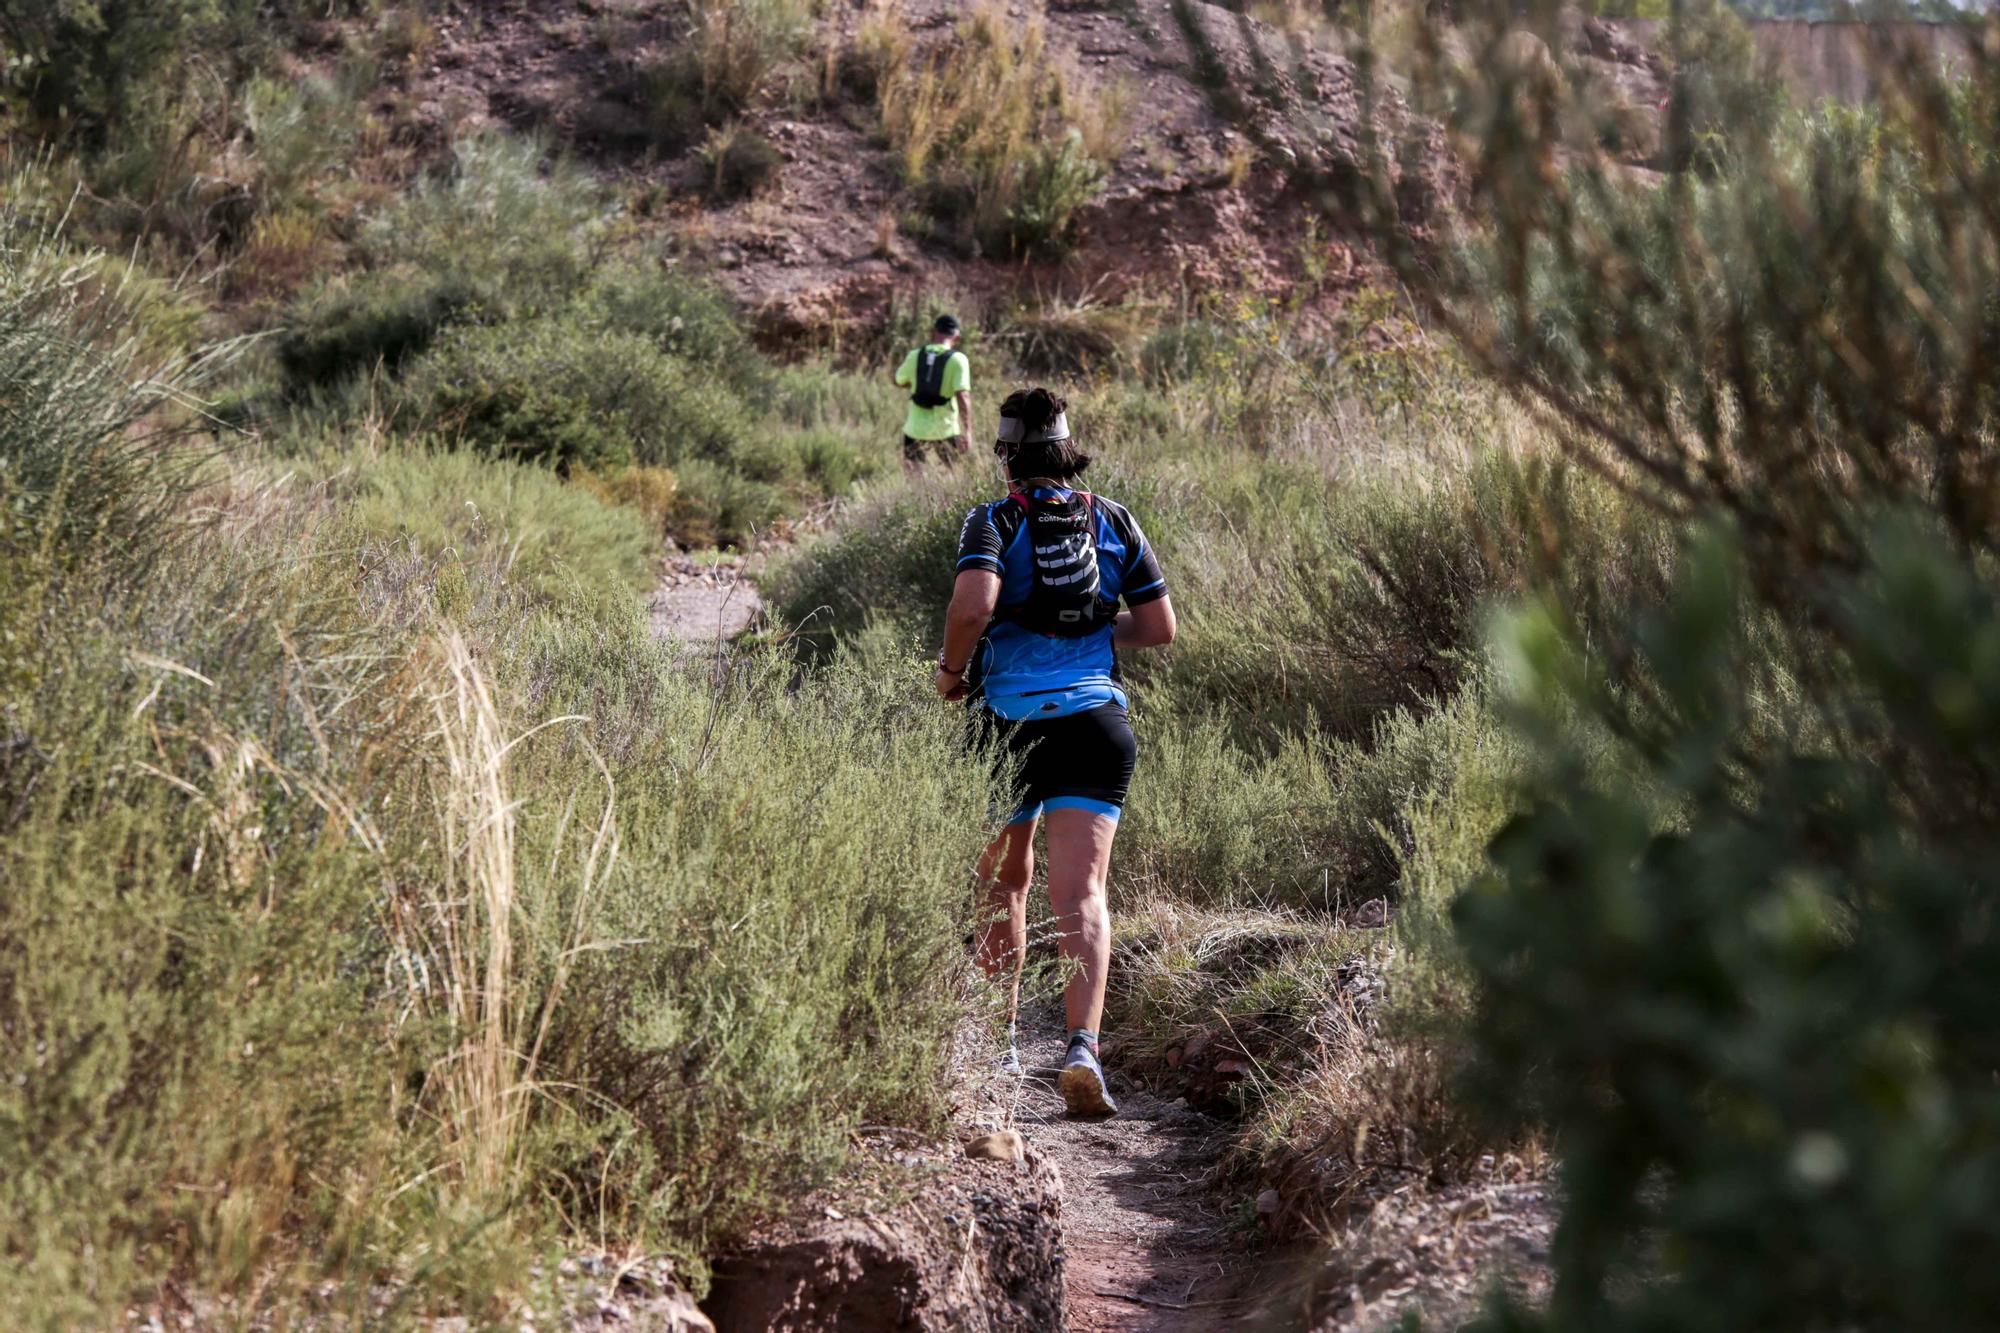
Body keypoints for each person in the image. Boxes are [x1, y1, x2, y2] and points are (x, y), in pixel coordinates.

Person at [934, 387, 1177, 1118]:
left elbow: (974, 606)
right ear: (1070, 453)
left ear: (1005, 454)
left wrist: (950, 673)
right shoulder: (1114, 518)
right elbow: (1160, 626)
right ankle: (1081, 1051)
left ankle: (1002, 1048)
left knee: (1006, 885)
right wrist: (1096, 641)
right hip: (1097, 723)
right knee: (1083, 893)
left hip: (1008, 724)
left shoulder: (994, 518)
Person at [894, 315, 972, 472]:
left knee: (914, 482)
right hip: (946, 430)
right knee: (952, 480)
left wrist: (915, 383)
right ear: (956, 337)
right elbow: (963, 396)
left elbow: (898, 381)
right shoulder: (958, 360)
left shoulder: (914, 356)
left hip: (914, 430)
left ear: (934, 332)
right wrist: (968, 431)